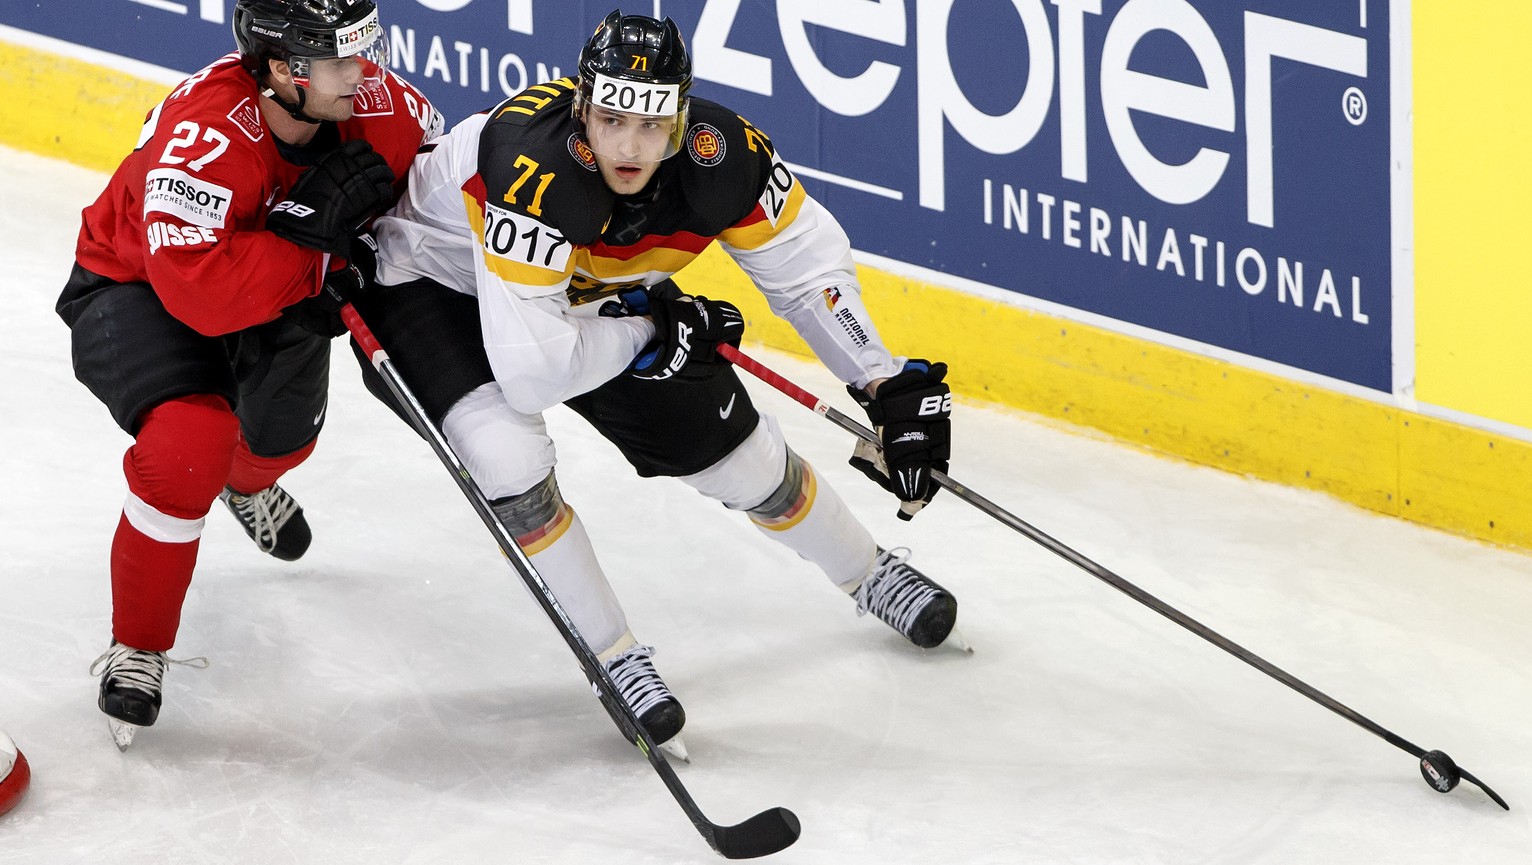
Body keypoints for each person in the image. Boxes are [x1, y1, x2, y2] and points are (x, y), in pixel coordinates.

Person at [353, 10, 958, 752]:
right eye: (610, 119)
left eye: (651, 123)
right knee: (508, 457)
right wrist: (651, 330)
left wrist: (880, 378)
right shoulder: (530, 165)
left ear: (680, 114)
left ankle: (869, 574)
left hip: (576, 294)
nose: (630, 147)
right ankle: (615, 656)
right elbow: (535, 371)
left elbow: (806, 269)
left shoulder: (723, 154)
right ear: (582, 107)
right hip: (430, 284)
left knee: (743, 456)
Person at [56, 0, 442, 750]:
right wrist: (321, 259)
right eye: (338, 59)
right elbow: (197, 290)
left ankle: (250, 480)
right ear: (277, 71)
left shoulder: (377, 107)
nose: (361, 72)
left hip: (270, 287)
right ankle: (139, 645)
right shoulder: (207, 134)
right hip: (137, 284)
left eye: (363, 49)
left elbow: (450, 181)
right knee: (190, 439)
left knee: (279, 446)